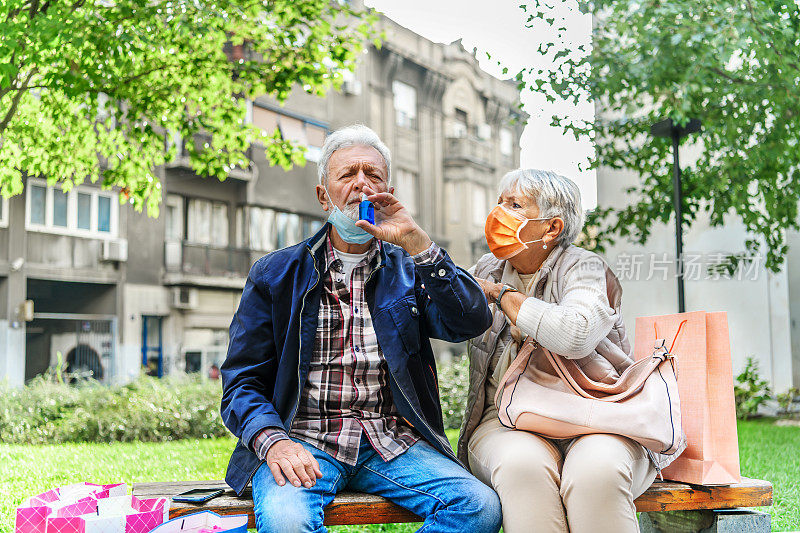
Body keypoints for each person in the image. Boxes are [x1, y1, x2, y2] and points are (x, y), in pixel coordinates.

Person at [220, 124, 502, 533]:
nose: (362, 185)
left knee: (478, 507)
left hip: (389, 442)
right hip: (302, 441)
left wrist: (419, 244)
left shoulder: (410, 267)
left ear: (388, 189)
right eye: (348, 174)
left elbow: (470, 321)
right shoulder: (276, 273)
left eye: (373, 175)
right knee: (286, 523)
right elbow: (241, 382)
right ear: (324, 196)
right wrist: (273, 441)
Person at [459, 168, 677, 533]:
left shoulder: (586, 267)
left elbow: (575, 335)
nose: (499, 213)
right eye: (500, 202)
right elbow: (437, 308)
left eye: (515, 205)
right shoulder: (486, 268)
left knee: (597, 473)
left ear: (552, 228)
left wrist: (502, 297)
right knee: (521, 467)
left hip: (600, 415)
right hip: (505, 420)